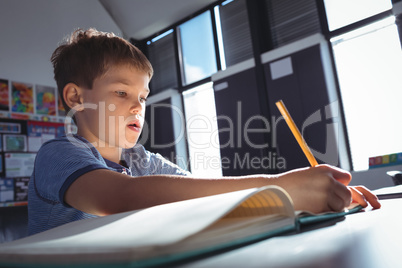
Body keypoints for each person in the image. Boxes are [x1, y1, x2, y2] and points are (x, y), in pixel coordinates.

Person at [28, 28, 381, 235]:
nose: (137, 107)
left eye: (142, 97)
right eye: (121, 93)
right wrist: (282, 187)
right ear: (75, 97)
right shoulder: (60, 153)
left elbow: (202, 195)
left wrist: (299, 196)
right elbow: (117, 197)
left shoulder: (142, 160)